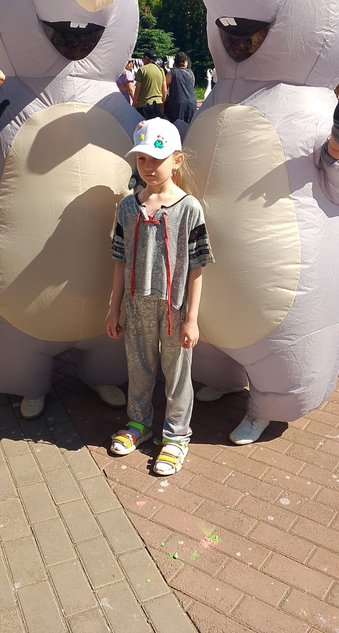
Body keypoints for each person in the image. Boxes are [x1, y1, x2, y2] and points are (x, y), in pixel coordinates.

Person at [106, 118, 214, 475]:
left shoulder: (189, 208)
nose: (149, 166)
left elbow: (197, 267)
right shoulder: (127, 208)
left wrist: (192, 318)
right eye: (142, 159)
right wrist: (114, 309)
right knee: (138, 368)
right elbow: (120, 260)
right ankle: (139, 423)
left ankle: (176, 436)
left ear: (177, 160)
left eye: (157, 158)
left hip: (174, 308)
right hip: (136, 305)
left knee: (177, 373)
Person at [165, 51, 197, 124]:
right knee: (190, 126)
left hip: (177, 103)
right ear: (185, 62)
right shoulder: (191, 73)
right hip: (192, 103)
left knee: (176, 126)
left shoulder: (171, 73)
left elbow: (164, 89)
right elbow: (192, 85)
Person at [133, 50, 166, 117]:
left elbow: (138, 90)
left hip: (144, 105)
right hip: (158, 104)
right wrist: (162, 105)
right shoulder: (160, 70)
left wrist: (134, 104)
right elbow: (164, 90)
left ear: (146, 57)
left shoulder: (142, 70)